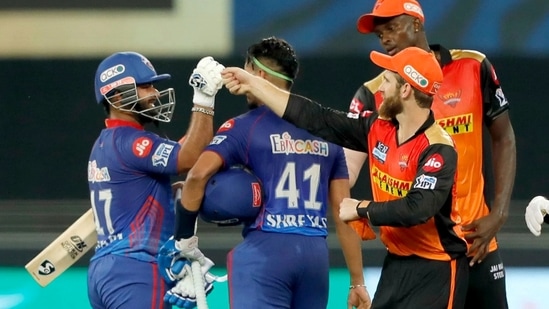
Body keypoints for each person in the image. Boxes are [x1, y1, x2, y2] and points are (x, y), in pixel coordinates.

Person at [223, 46, 469, 308]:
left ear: (406, 90)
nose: (380, 89)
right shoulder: (378, 129)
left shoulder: (438, 147)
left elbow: (417, 208)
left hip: (437, 268)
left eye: (386, 80)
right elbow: (317, 118)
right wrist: (252, 82)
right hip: (396, 263)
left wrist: (360, 209)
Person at [171, 36, 372, 309]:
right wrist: (357, 282)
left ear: (258, 74)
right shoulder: (328, 134)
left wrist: (184, 241)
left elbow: (196, 176)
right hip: (315, 259)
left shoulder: (243, 128)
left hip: (266, 254)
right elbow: (345, 212)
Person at [344, 1, 516, 307]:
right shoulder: (375, 92)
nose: (385, 39)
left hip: (478, 243)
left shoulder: (473, 67)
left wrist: (499, 214)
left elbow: (503, 137)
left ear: (417, 24)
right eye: (380, 34)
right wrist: (348, 203)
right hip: (421, 258)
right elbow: (345, 168)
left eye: (392, 28)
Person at [87, 51, 224, 309]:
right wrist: (204, 100)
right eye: (145, 86)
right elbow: (189, 158)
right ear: (117, 96)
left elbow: (179, 154)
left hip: (103, 271)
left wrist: (162, 194)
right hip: (135, 270)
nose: (154, 94)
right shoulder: (133, 142)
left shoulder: (105, 144)